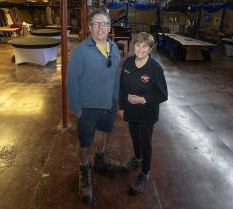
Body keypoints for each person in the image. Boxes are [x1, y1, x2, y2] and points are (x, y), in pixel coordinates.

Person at [66, 10, 121, 204]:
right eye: (96, 24)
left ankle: (99, 160)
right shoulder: (81, 51)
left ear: (109, 27)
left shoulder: (114, 48)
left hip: (108, 104)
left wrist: (116, 101)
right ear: (89, 28)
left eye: (104, 24)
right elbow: (71, 81)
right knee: (84, 141)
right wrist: (76, 109)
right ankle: (83, 169)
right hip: (87, 106)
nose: (100, 27)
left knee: (104, 132)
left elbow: (116, 76)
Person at [119, 32, 168, 194]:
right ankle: (137, 158)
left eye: (144, 45)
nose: (140, 48)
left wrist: (143, 99)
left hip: (147, 113)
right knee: (134, 136)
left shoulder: (155, 69)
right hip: (131, 111)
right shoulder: (128, 63)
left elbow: (163, 95)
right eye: (138, 44)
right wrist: (122, 106)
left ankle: (145, 172)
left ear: (150, 49)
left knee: (145, 141)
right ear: (134, 45)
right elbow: (122, 86)